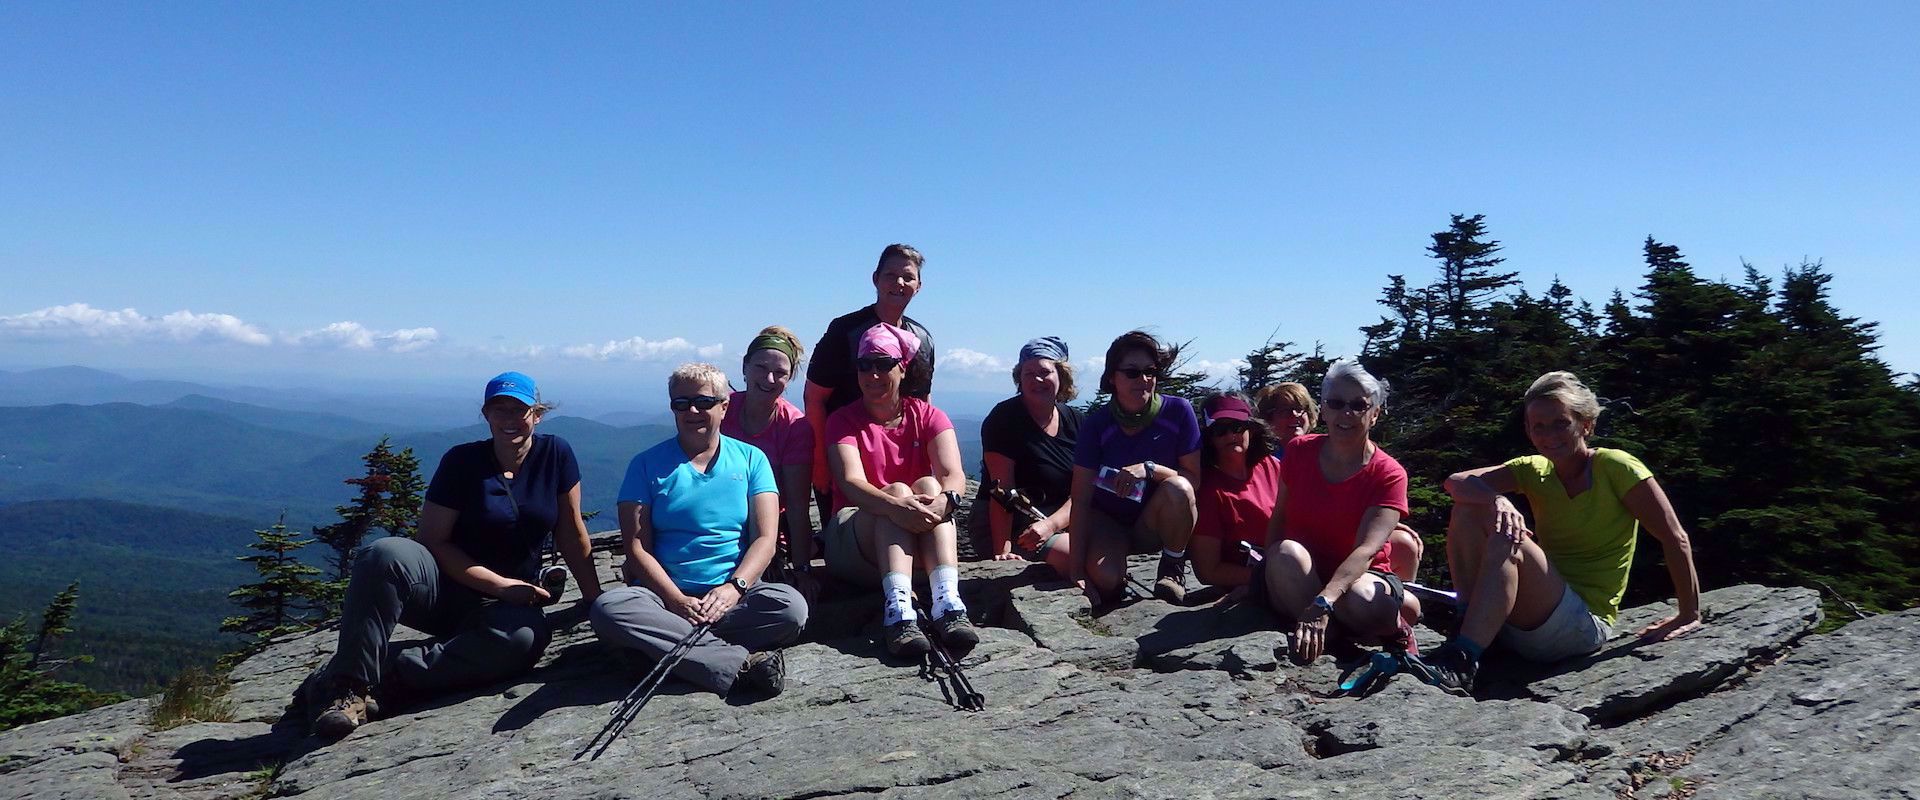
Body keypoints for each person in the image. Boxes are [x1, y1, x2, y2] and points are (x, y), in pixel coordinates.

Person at [307, 371, 601, 739]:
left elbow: (571, 530)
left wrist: (594, 601)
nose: (509, 419)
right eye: (499, 410)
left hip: (507, 605)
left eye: (519, 410)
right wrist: (499, 585)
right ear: (486, 414)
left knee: (522, 641)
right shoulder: (462, 462)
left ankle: (377, 677)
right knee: (384, 554)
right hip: (447, 589)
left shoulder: (555, 454)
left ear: (537, 414)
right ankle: (349, 691)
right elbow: (434, 540)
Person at [1421, 371, 1703, 695]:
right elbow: (1455, 482)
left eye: (1560, 423)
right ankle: (1468, 629)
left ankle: (1462, 658)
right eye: (1538, 426)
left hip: (1581, 626)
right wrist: (1498, 499)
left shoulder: (1616, 467)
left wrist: (1687, 614)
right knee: (1470, 506)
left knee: (1510, 538)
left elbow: (1674, 537)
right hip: (1527, 621)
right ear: (1528, 430)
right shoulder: (1533, 470)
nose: (1549, 435)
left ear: (1585, 424)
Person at [589, 363, 808, 698]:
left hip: (735, 596)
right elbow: (636, 548)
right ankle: (738, 663)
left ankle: (662, 650)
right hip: (662, 597)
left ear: (724, 406)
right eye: (681, 403)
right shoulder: (645, 465)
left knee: (791, 608)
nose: (692, 411)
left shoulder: (752, 460)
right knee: (610, 608)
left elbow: (765, 539)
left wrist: (734, 588)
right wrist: (676, 601)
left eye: (704, 402)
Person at [821, 323, 976, 657]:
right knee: (896, 491)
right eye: (865, 365)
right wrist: (896, 506)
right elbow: (851, 482)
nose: (873, 374)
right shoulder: (842, 420)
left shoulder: (930, 416)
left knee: (930, 485)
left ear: (902, 368)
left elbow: (953, 475)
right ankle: (898, 614)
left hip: (914, 535)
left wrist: (944, 502)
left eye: (883, 364)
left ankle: (948, 602)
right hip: (853, 540)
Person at [1260, 359, 1420, 665]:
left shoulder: (1389, 474)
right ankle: (1337, 637)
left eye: (1358, 405)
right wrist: (1264, 576)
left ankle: (1345, 625)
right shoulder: (1298, 451)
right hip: (1302, 571)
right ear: (1323, 410)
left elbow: (1368, 549)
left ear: (1375, 414)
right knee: (1285, 554)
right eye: (1335, 403)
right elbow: (1279, 516)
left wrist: (1324, 601)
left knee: (1368, 602)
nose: (1346, 414)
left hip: (1357, 577)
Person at [1068, 330, 1202, 606]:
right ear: (1112, 378)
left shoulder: (1178, 411)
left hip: (1154, 521)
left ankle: (1172, 570)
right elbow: (1080, 498)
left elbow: (1193, 479)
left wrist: (1150, 469)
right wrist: (1077, 568)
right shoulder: (1097, 424)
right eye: (1132, 372)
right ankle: (1119, 578)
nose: (1143, 380)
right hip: (1109, 521)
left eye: (1150, 371)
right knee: (1106, 579)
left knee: (1179, 487)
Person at [805, 244, 937, 514]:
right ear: (875, 279)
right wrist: (819, 462)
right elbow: (815, 397)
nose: (899, 283)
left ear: (919, 286)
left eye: (908, 277)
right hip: (846, 452)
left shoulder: (922, 340)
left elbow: (923, 403)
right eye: (890, 275)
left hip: (901, 456)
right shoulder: (844, 331)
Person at [720, 326, 818, 592]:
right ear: (745, 367)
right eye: (761, 367)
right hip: (716, 520)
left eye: (780, 373)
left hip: (764, 529)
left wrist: (802, 570)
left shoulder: (795, 427)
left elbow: (798, 506)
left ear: (790, 378)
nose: (770, 378)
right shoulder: (720, 411)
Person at [980, 336, 1082, 575]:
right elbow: (1002, 491)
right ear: (1019, 378)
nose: (1037, 379)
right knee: (1080, 555)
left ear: (1061, 376)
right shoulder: (1004, 419)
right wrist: (1002, 550)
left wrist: (1053, 524)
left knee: (1106, 550)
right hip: (1020, 527)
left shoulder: (1076, 421)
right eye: (1028, 373)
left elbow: (1083, 488)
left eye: (1045, 372)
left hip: (1059, 520)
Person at [1190, 392, 1280, 593]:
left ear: (1252, 429)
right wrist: (1267, 578)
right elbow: (1207, 571)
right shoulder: (1207, 490)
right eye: (1220, 430)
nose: (1231, 435)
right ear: (1208, 437)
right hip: (1262, 582)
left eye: (1237, 427)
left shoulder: (1272, 467)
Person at [1254, 382, 1317, 448]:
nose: (1294, 414)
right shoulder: (1260, 455)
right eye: (1285, 410)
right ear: (1267, 417)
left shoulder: (1322, 451)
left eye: (1299, 408)